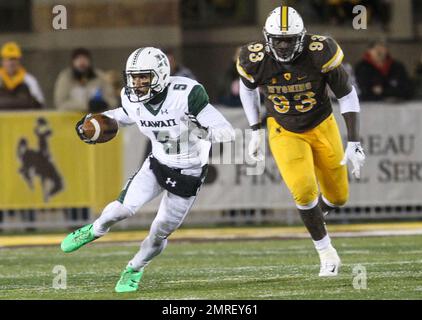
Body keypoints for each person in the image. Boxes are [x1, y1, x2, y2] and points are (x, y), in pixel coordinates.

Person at [60, 47, 235, 293]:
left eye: (144, 76)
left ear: (161, 74)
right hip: (157, 163)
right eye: (134, 77)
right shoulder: (131, 97)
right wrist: (96, 122)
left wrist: (204, 130)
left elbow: (227, 130)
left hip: (188, 173)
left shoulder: (187, 94)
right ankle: (95, 229)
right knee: (121, 209)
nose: (138, 83)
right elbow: (125, 114)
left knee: (158, 232)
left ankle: (134, 268)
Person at [237, 6, 366, 277]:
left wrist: (354, 141)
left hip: (322, 124)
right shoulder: (254, 58)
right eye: (278, 39)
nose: (283, 45)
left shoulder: (321, 51)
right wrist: (255, 129)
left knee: (338, 197)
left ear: (302, 37)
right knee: (304, 190)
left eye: (289, 39)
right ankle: (326, 251)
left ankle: (314, 219)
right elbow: (248, 91)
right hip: (285, 128)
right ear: (266, 37)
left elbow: (347, 94)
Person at [54, 48, 117, 112]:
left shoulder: (100, 77)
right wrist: (86, 106)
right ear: (72, 62)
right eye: (78, 59)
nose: (82, 62)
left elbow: (112, 101)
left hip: (96, 118)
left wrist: (105, 104)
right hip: (71, 119)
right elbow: (60, 103)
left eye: (85, 58)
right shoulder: (65, 78)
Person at [0, 41, 45, 110]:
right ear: (2, 61)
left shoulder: (29, 80)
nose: (11, 63)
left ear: (19, 60)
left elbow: (40, 104)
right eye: (8, 59)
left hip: (24, 119)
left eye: (14, 59)